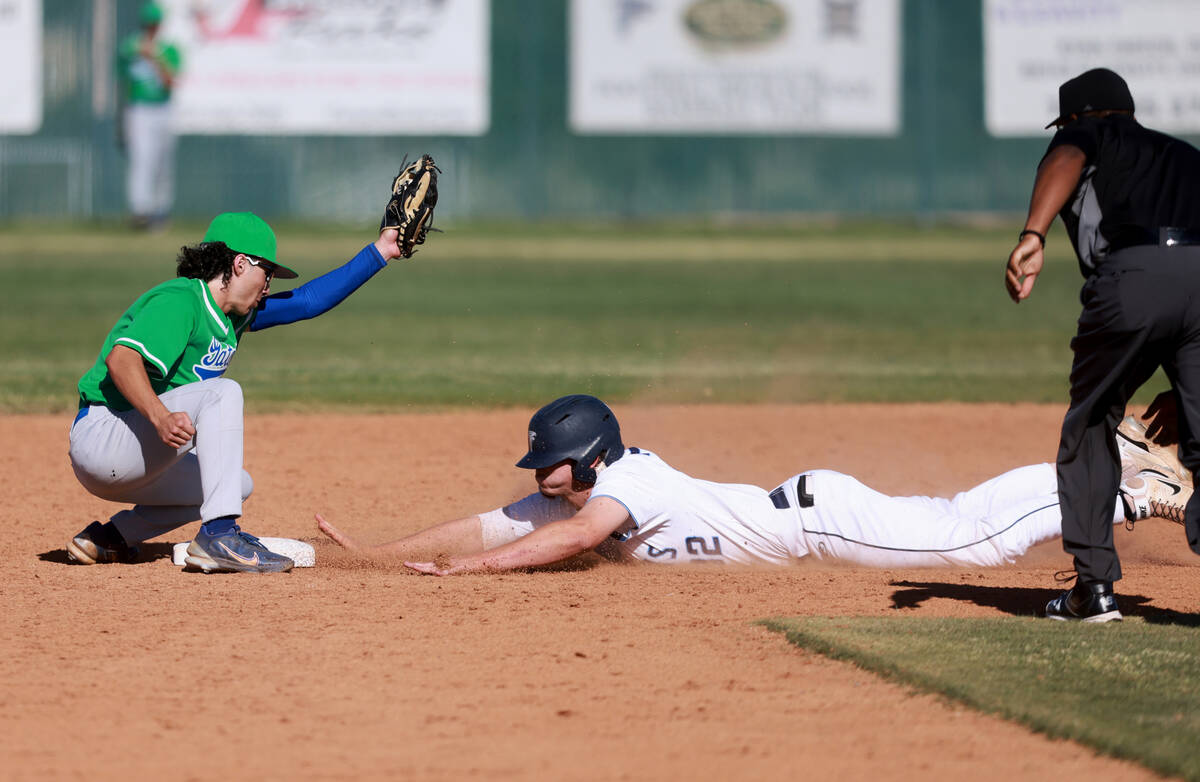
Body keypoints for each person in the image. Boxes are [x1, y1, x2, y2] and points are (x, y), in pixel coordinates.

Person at [316, 395, 1189, 606]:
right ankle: (1105, 473)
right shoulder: (588, 491)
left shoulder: (625, 487)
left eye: (545, 463)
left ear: (583, 461)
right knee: (954, 517)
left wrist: (467, 572)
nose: (533, 474)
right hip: (814, 514)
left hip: (820, 523)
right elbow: (492, 523)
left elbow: (554, 542)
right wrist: (374, 550)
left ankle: (1122, 489)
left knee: (972, 545)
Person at [68, 212, 408, 573]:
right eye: (268, 274)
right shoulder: (182, 300)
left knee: (234, 484)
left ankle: (111, 538)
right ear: (241, 264)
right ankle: (218, 535)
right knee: (221, 393)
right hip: (104, 438)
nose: (268, 287)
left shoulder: (235, 315)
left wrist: (382, 250)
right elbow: (121, 360)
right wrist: (160, 416)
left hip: (136, 452)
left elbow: (308, 300)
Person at [1005, 67, 1200, 621]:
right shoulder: (1184, 155)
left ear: (1077, 117)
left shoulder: (1088, 133)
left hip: (1133, 279)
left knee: (1091, 422)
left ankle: (1094, 591)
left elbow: (1066, 158)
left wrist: (1033, 234)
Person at [116, 1, 182, 230]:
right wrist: (141, 50)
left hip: (163, 109)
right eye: (149, 23)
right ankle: (140, 211)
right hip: (139, 109)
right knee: (142, 159)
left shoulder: (169, 49)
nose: (152, 27)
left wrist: (155, 59)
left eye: (155, 23)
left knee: (163, 161)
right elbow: (121, 67)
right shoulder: (131, 46)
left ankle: (161, 211)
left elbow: (170, 81)